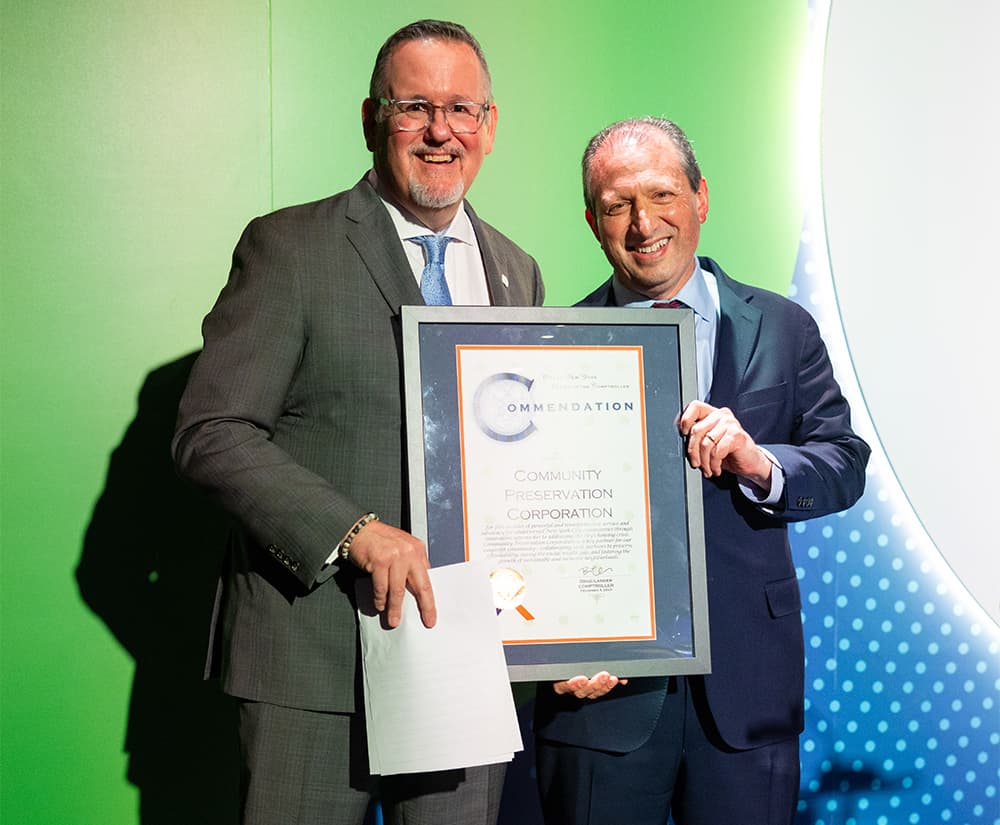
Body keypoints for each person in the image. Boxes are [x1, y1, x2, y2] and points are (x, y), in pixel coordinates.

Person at [172, 19, 544, 825]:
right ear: (373, 117)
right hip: (313, 667)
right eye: (415, 106)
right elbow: (212, 431)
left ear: (489, 125)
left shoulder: (516, 268)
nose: (441, 130)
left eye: (461, 109)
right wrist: (353, 529)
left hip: (460, 660)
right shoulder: (291, 247)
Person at [532, 117, 870, 825]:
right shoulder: (555, 346)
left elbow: (844, 462)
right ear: (592, 220)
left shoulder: (784, 326)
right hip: (605, 699)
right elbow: (531, 514)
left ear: (701, 197)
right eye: (618, 204)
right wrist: (550, 640)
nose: (643, 222)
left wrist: (761, 460)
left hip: (748, 686)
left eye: (662, 194)